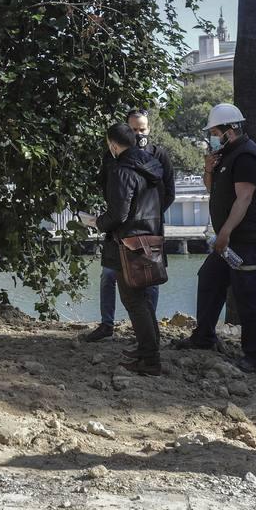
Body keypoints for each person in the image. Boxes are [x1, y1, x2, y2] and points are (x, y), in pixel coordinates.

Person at [177, 103, 256, 372]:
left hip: (247, 239)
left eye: (214, 131)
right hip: (230, 240)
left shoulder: (246, 156)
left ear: (229, 130)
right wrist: (208, 169)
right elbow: (213, 191)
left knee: (250, 295)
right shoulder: (226, 154)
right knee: (209, 279)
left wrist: (225, 232)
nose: (211, 136)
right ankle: (204, 337)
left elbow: (244, 199)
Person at [82, 109, 174, 342]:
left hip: (138, 229)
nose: (139, 133)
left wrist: (142, 216)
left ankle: (146, 338)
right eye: (134, 130)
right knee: (110, 276)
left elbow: (168, 194)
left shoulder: (158, 156)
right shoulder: (112, 159)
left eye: (142, 129)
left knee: (145, 284)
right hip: (125, 231)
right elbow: (107, 187)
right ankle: (110, 325)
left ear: (149, 129)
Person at [94, 122, 166, 375]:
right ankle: (150, 349)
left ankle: (150, 359)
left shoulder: (121, 170)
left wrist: (97, 222)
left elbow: (118, 214)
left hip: (129, 243)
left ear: (113, 144)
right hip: (151, 237)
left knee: (133, 301)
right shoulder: (152, 167)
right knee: (144, 299)